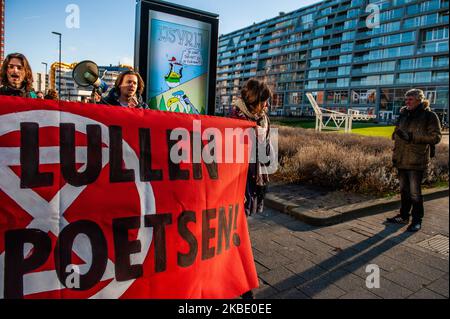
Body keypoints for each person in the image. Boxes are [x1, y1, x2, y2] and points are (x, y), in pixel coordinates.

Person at [387, 89, 442, 232]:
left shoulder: (429, 116)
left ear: (419, 100)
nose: (407, 102)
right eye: (406, 100)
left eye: (410, 99)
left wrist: (412, 137)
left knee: (415, 193)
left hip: (416, 160)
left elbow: (436, 137)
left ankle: (417, 220)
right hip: (401, 158)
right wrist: (396, 135)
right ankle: (403, 216)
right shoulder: (404, 114)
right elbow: (399, 132)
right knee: (404, 191)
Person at [230, 78, 273, 218]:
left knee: (246, 216)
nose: (267, 105)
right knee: (236, 218)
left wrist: (262, 142)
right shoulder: (234, 119)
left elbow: (265, 155)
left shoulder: (263, 119)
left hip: (255, 178)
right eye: (264, 101)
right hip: (237, 180)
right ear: (255, 102)